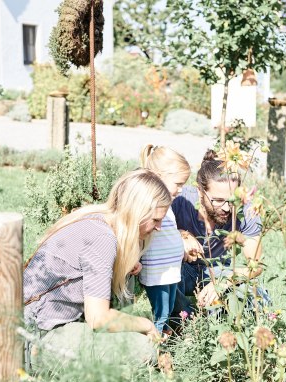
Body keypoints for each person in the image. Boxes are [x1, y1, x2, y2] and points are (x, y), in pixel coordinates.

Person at [23, 169, 172, 370]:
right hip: (38, 337)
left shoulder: (98, 219)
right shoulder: (102, 239)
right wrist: (146, 324)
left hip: (30, 323)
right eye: (155, 219)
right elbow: (98, 318)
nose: (159, 227)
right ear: (137, 213)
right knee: (144, 349)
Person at [171, 150, 264, 318]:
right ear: (200, 191)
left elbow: (256, 266)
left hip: (219, 270)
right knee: (162, 269)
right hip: (181, 267)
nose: (227, 208)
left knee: (255, 296)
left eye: (232, 200)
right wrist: (180, 234)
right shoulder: (180, 200)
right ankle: (185, 322)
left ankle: (219, 322)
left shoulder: (248, 211)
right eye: (218, 201)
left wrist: (225, 281)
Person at [138, 145, 191, 334]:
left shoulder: (167, 204)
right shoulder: (151, 204)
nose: (181, 189)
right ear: (159, 176)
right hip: (157, 272)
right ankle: (155, 347)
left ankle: (165, 340)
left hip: (169, 269)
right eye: (178, 183)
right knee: (161, 313)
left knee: (167, 311)